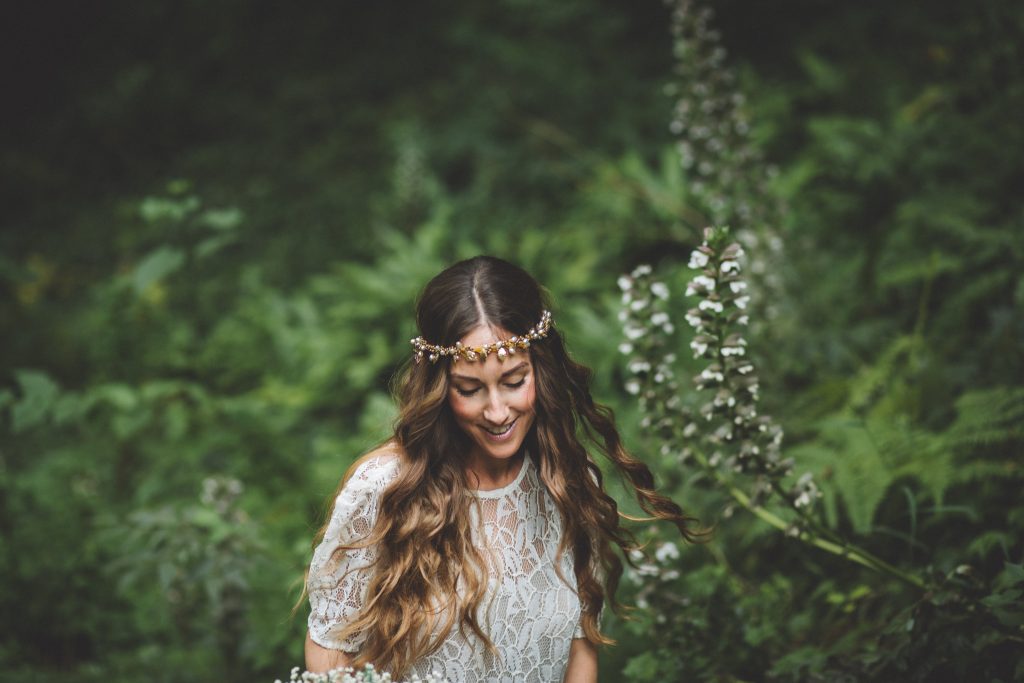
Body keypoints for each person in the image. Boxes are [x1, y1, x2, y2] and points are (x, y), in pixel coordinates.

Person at [302, 256, 698, 682]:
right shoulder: (386, 488)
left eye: (513, 381)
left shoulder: (565, 478)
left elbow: (581, 648)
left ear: (540, 370)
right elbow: (331, 648)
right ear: (439, 388)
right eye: (469, 389)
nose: (496, 412)